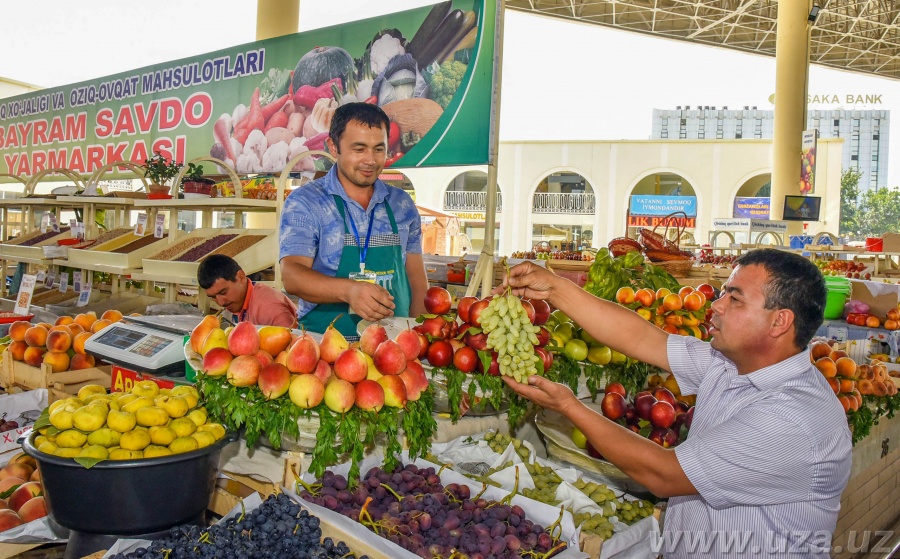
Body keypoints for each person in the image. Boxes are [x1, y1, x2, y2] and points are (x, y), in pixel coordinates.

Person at [499, 248, 851, 558]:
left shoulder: (793, 420)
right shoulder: (730, 364)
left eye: (735, 299)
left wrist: (570, 406)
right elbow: (640, 337)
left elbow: (663, 474)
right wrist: (557, 288)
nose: (716, 305)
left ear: (779, 321)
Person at [279, 103, 428, 338]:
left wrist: (420, 337)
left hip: (391, 352)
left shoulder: (402, 205)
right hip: (325, 352)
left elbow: (417, 282)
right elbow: (293, 276)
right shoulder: (306, 203)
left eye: (379, 149)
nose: (370, 160)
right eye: (359, 149)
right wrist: (349, 291)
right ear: (333, 146)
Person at [197, 254, 297, 328]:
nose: (221, 302)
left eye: (223, 292)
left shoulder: (268, 307)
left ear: (240, 277)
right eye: (213, 297)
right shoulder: (233, 306)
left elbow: (291, 346)